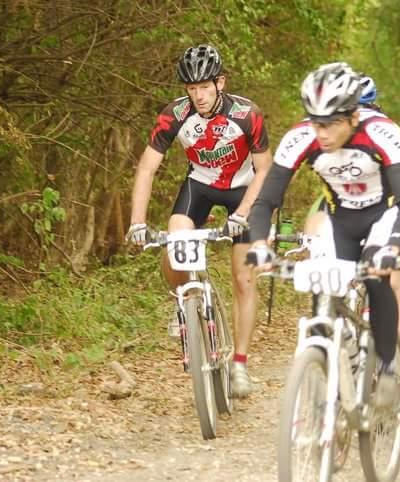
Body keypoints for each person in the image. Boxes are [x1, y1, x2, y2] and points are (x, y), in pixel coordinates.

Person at [246, 62, 400, 407]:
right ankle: (324, 369)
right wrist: (258, 243)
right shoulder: (301, 137)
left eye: (330, 124)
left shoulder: (383, 134)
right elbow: (267, 199)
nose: (321, 133)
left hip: (383, 213)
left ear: (353, 118)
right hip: (339, 216)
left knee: (378, 278)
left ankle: (387, 368)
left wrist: (391, 247)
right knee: (323, 285)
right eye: (315, 122)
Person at [125, 44, 273, 398]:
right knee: (175, 241)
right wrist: (137, 221)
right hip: (200, 186)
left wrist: (242, 213)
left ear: (220, 83)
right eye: (191, 89)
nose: (199, 96)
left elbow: (265, 169)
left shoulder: (246, 114)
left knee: (243, 277)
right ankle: (187, 306)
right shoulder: (174, 115)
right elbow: (146, 168)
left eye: (205, 87)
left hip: (244, 190)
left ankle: (239, 363)